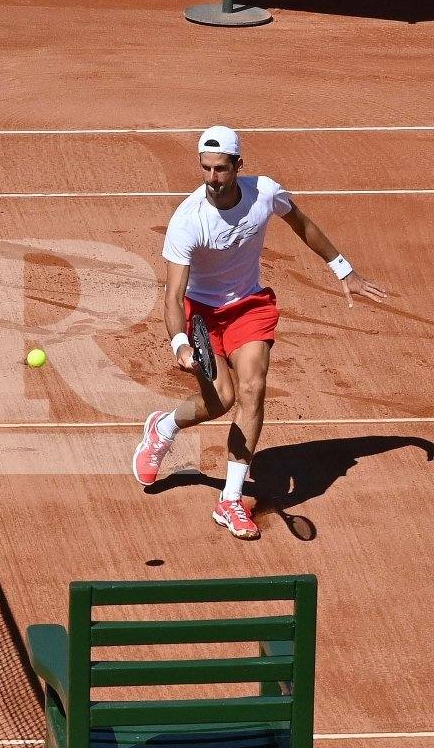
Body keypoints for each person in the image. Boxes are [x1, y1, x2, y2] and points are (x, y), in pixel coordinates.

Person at [132, 126, 386, 540]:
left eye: (220, 169)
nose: (212, 178)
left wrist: (344, 269)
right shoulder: (188, 219)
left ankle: (230, 499)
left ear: (238, 165)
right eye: (206, 168)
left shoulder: (264, 192)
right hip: (201, 313)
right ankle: (164, 428)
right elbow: (173, 296)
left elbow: (302, 223)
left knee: (252, 390)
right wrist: (179, 343)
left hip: (248, 307)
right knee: (222, 400)